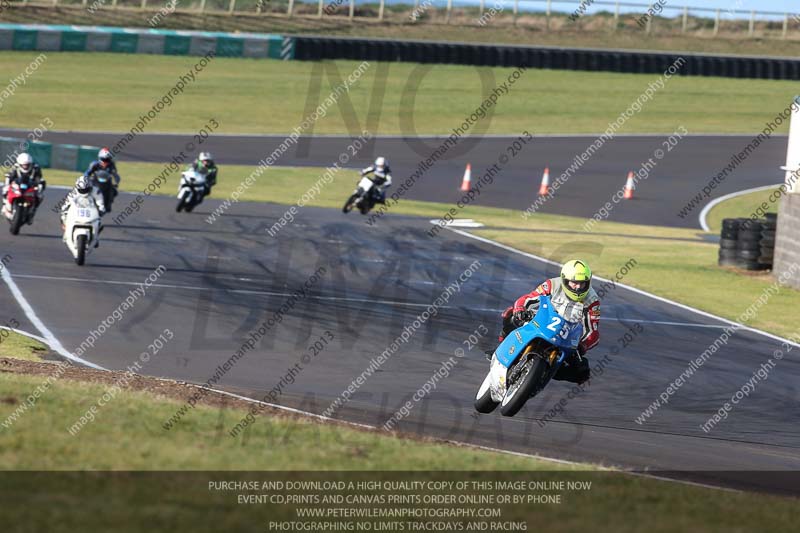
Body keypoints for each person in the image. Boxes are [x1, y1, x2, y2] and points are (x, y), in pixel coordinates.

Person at [495, 260, 600, 384]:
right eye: (574, 283)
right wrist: (520, 309)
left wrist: (583, 345)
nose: (578, 287)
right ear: (565, 280)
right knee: (511, 314)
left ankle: (543, 375)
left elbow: (593, 332)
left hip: (566, 336)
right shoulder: (553, 284)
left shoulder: (592, 300)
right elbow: (529, 298)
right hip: (541, 320)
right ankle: (500, 347)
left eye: (582, 283)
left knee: (583, 372)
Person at [61, 177, 105, 248]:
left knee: (99, 221)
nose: (84, 191)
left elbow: (100, 202)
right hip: (77, 210)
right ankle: (66, 232)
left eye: (86, 189)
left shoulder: (96, 191)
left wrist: (101, 210)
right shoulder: (74, 192)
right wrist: (64, 210)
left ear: (90, 187)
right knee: (63, 217)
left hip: (91, 210)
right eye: (82, 190)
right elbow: (67, 203)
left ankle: (96, 237)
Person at [2, 153, 46, 221]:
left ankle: (34, 209)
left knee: (40, 195)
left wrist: (40, 184)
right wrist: (8, 182)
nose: (25, 167)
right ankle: (5, 205)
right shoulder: (15, 167)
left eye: (27, 165)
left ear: (30, 164)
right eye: (23, 165)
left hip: (30, 186)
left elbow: (39, 178)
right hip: (18, 185)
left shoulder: (36, 168)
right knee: (5, 189)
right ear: (20, 164)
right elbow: (10, 176)